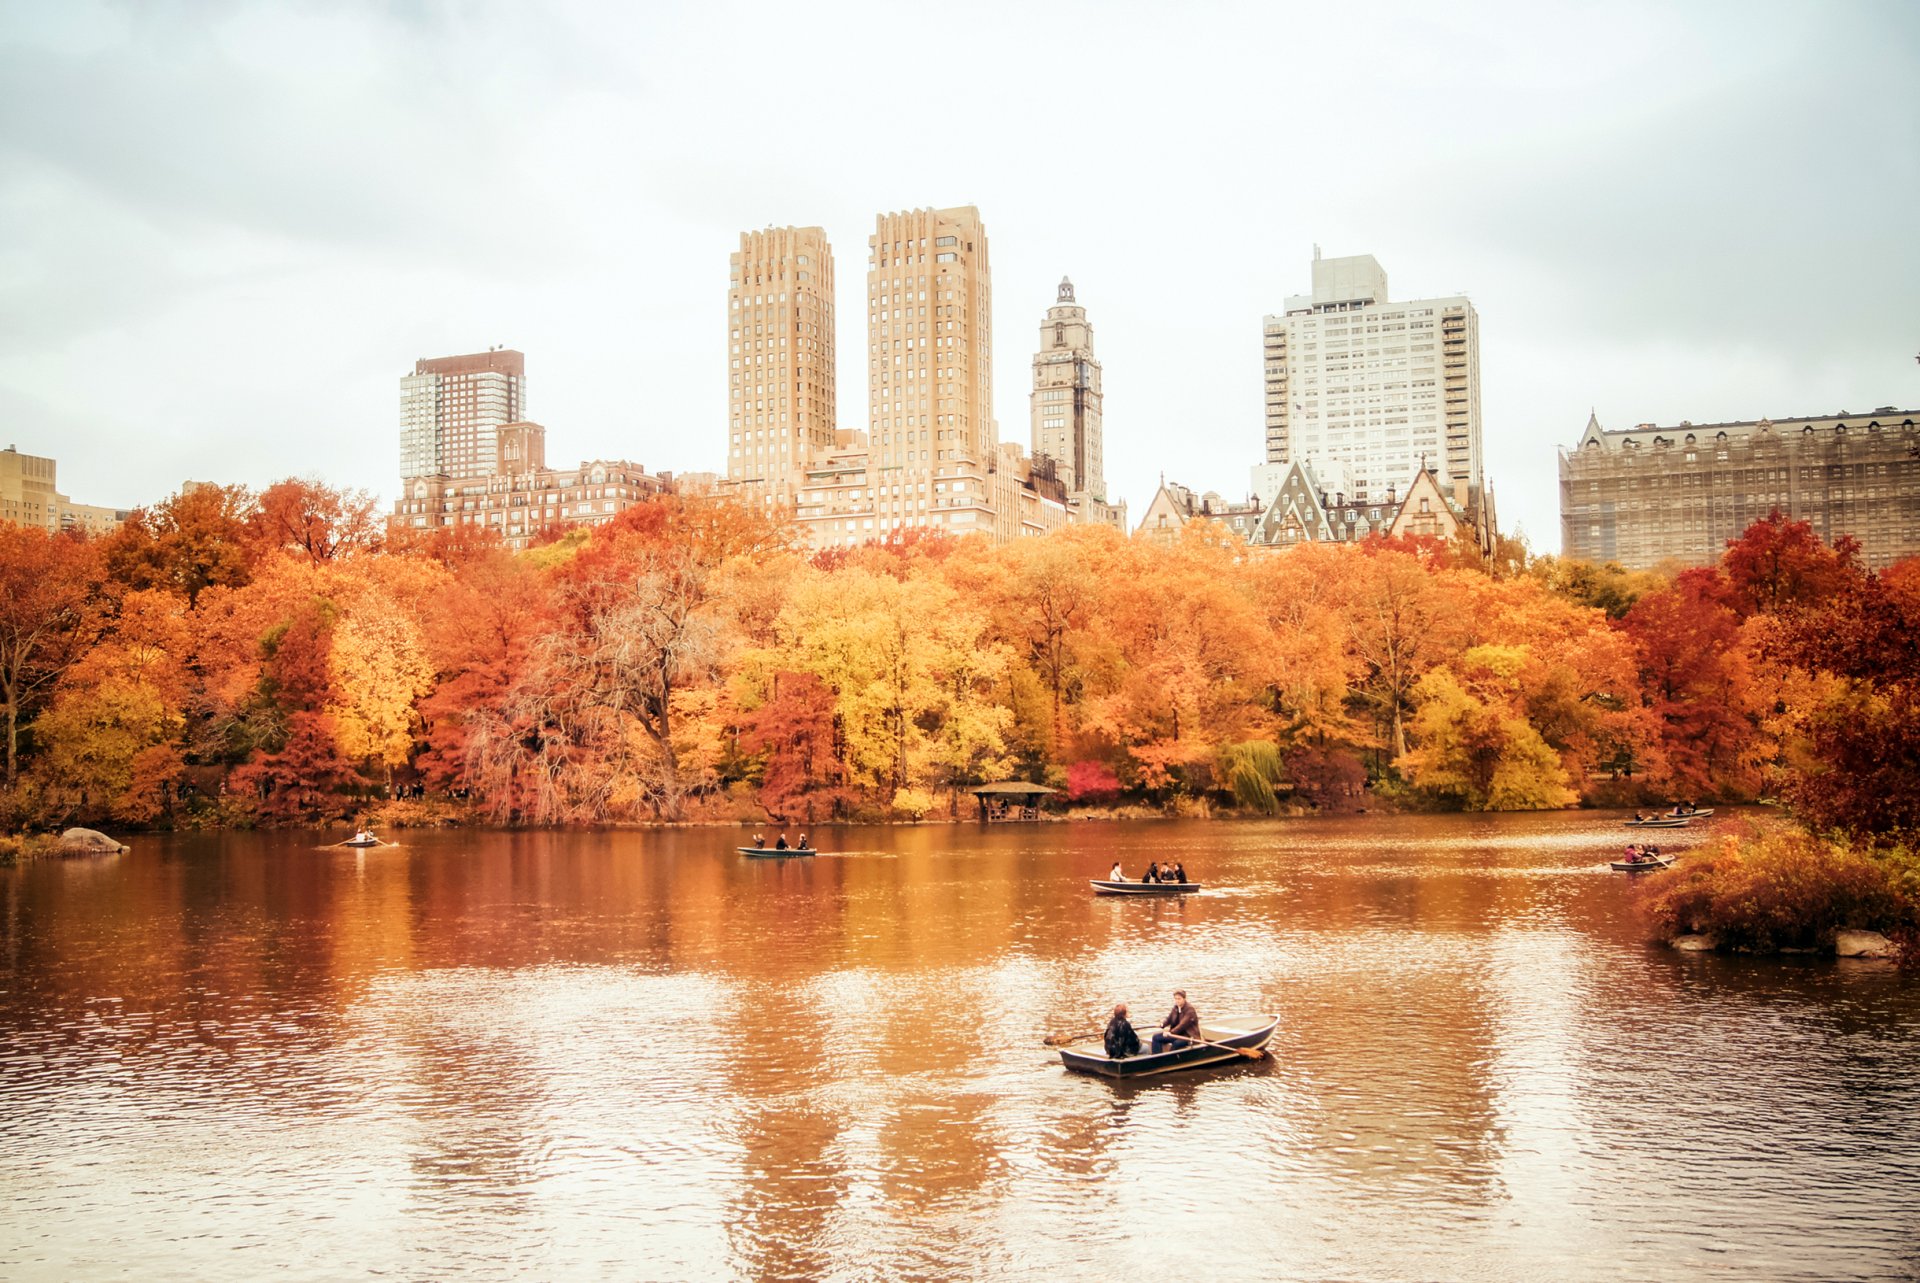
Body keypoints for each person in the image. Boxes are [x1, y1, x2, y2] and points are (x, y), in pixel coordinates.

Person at [1152, 990, 1201, 1055]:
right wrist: (1162, 1024)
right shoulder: (1175, 1007)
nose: (1177, 1001)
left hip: (1188, 1036)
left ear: (1184, 999)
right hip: (1176, 1034)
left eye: (1179, 999)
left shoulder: (1190, 1010)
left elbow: (1182, 1025)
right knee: (1156, 1037)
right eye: (1175, 999)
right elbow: (1169, 1019)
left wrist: (1170, 1032)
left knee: (1176, 1043)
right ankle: (1157, 1057)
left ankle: (1170, 1059)